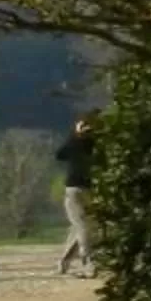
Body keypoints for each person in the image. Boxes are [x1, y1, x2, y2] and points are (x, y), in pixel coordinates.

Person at [54, 114, 97, 279]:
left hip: (73, 187)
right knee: (78, 226)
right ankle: (64, 262)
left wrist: (74, 135)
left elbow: (59, 154)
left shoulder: (74, 143)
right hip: (90, 188)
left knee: (81, 226)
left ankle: (88, 262)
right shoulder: (94, 144)